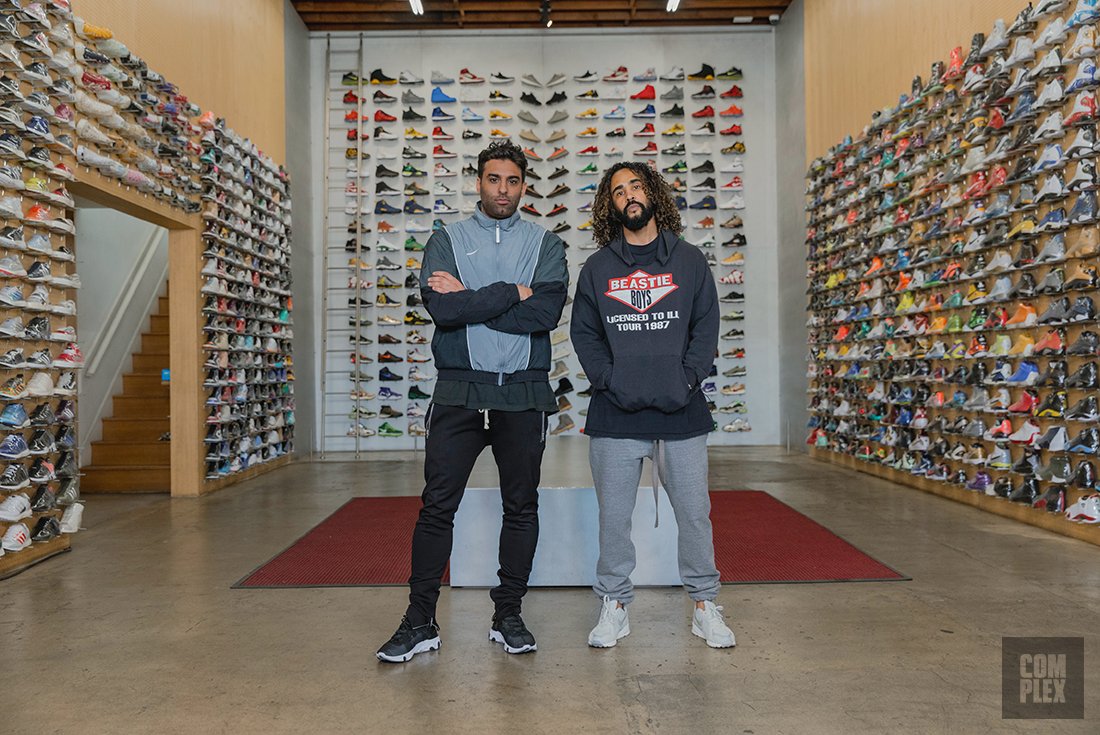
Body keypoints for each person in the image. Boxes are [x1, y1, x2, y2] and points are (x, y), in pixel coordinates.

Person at [376, 141, 569, 663]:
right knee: (437, 507)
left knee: (520, 507)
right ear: (478, 181)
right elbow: (442, 308)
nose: (501, 189)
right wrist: (514, 292)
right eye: (492, 179)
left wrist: (475, 298)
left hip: (523, 393)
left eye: (511, 180)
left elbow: (545, 315)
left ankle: (508, 614)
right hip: (459, 392)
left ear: (524, 185)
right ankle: (420, 621)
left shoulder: (546, 243)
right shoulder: (447, 238)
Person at [569, 161, 735, 649]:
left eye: (636, 186)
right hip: (615, 414)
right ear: (610, 205)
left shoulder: (689, 261)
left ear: (653, 195)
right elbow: (585, 334)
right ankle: (615, 604)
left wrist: (686, 379)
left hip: (680, 412)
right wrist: (608, 378)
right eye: (618, 191)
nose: (629, 196)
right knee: (613, 519)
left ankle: (705, 604)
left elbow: (706, 329)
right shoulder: (598, 269)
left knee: (695, 514)